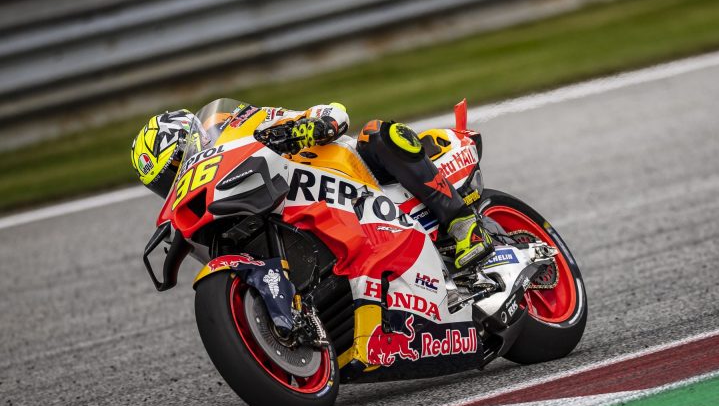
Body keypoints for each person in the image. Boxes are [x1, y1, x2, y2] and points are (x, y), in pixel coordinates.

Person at [130, 103, 493, 269]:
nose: (178, 181)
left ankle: (463, 225)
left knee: (378, 133)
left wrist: (312, 125)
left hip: (357, 180)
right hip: (308, 221)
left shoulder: (238, 124)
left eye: (175, 167)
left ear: (191, 139)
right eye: (165, 184)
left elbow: (327, 113)